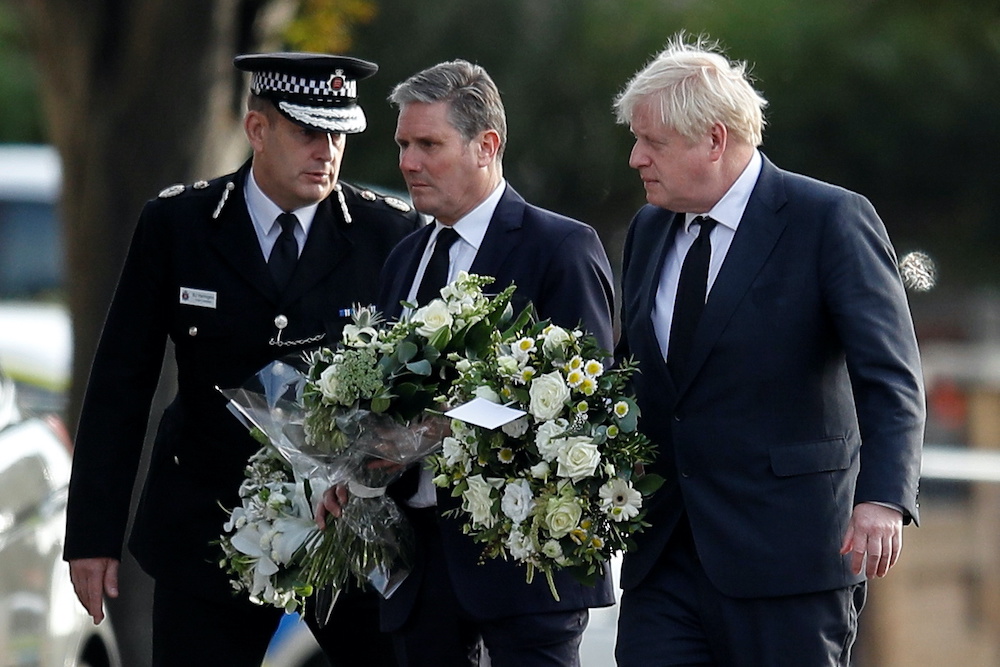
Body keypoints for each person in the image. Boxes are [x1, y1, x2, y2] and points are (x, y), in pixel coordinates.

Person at [64, 52, 421, 666]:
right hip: (207, 520)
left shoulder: (385, 232)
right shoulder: (180, 223)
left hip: (345, 525)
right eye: (309, 131)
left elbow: (415, 387)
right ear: (257, 130)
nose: (327, 151)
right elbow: (122, 382)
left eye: (339, 133)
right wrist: (93, 537)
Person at [611, 34, 925, 666]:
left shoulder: (829, 219)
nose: (635, 158)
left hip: (789, 558)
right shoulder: (649, 227)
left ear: (715, 140)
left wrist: (884, 499)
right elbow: (637, 373)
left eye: (652, 142)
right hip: (665, 555)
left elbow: (889, 375)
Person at [318, 59, 616, 667]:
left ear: (487, 145)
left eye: (429, 144)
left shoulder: (559, 247)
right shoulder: (406, 258)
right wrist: (350, 467)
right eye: (403, 144)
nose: (408, 162)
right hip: (421, 571)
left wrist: (454, 423)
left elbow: (588, 407)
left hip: (524, 566)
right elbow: (383, 398)